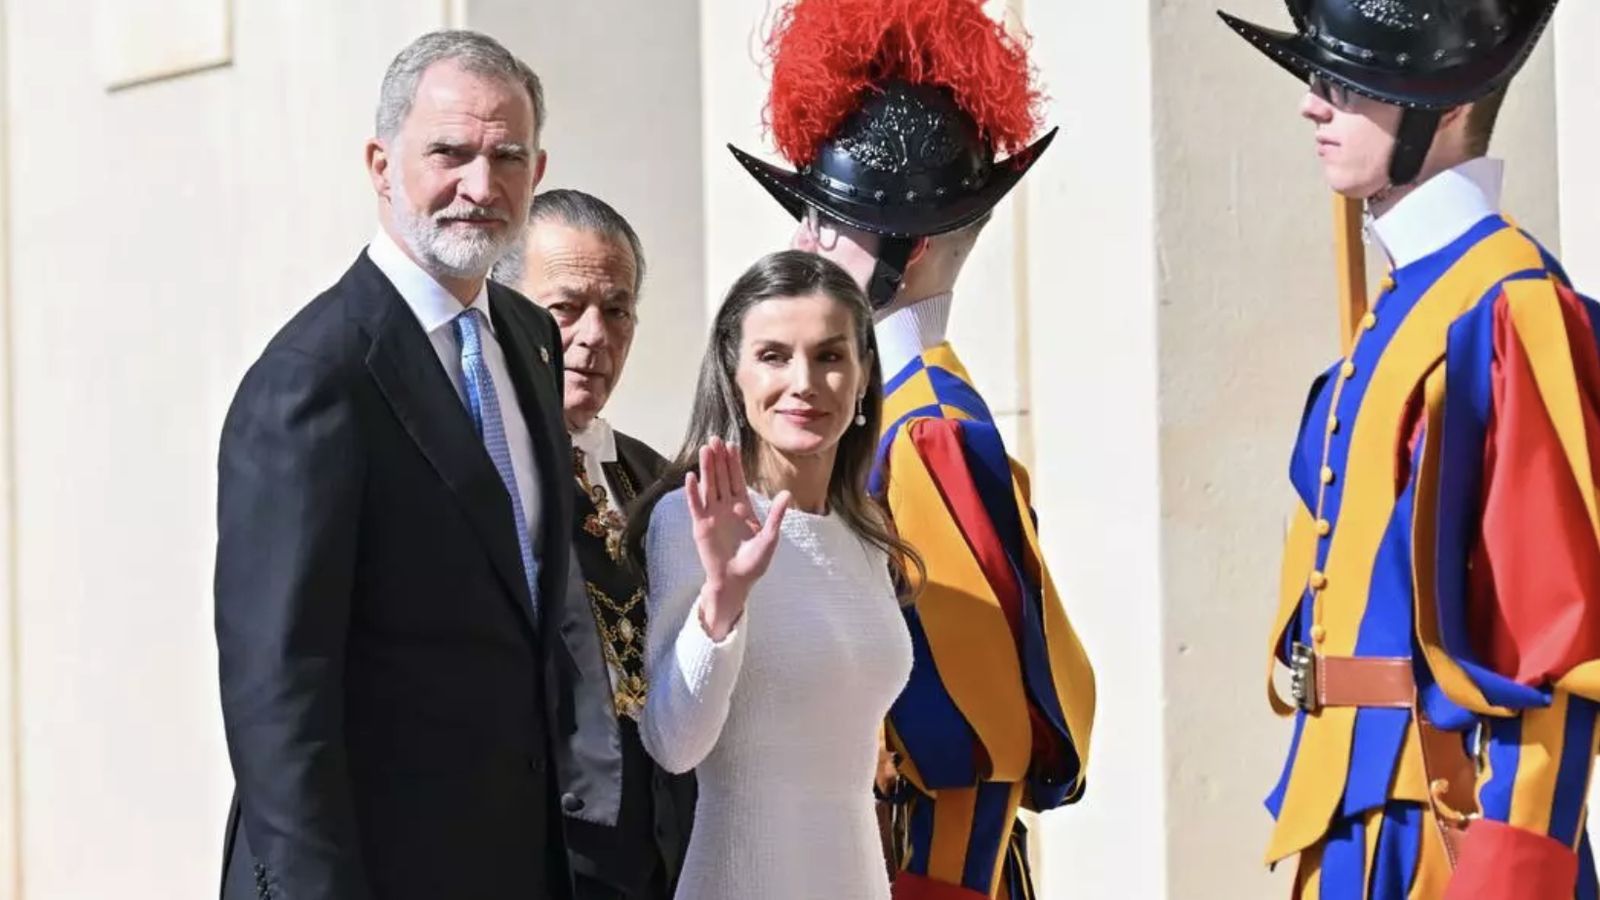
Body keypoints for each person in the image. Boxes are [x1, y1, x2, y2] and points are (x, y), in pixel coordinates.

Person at [1217, 0, 1600, 895]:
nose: (1312, 105)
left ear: (1448, 104)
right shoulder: (1408, 301)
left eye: (1346, 83)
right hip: (1352, 825)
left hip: (1447, 830)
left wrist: (1511, 878)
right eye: (1317, 78)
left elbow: (1559, 646)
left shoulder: (1508, 304)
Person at [727, 1, 1096, 896]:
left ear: (912, 246)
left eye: (827, 221)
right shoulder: (887, 416)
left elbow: (975, 741)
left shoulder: (924, 430)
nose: (800, 241)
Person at [214, 30, 574, 900]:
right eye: (448, 152)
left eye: (507, 157)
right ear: (381, 165)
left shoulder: (530, 339)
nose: (479, 187)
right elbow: (278, 691)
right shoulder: (313, 378)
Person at [629, 250, 916, 899]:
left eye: (830, 355)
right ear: (734, 375)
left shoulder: (866, 532)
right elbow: (675, 745)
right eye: (774, 355)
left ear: (865, 376)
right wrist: (723, 602)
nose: (804, 381)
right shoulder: (693, 518)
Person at [501, 189, 696, 899]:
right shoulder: (480, 471)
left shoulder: (655, 477)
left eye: (616, 310)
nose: (593, 335)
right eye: (566, 308)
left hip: (663, 851)